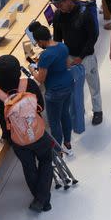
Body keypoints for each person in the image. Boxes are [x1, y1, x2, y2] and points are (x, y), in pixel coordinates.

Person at [0, 55, 52, 212]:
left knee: (29, 167)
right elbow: (40, 106)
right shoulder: (30, 84)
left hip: (16, 139)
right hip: (37, 132)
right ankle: (42, 199)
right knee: (46, 160)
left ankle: (42, 200)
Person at [50, 0, 103, 126]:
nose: (58, 7)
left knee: (93, 84)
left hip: (86, 56)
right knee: (75, 88)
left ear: (68, 0)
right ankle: (79, 113)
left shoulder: (84, 14)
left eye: (60, 4)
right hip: (69, 56)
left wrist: (81, 57)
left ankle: (98, 111)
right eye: (56, 5)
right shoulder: (58, 15)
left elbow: (93, 37)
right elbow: (57, 38)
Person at [29, 23, 73, 152]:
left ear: (41, 41)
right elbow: (68, 65)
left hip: (54, 92)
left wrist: (32, 70)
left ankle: (58, 150)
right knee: (65, 114)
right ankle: (68, 142)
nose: (38, 45)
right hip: (68, 85)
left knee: (54, 122)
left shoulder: (45, 55)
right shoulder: (62, 46)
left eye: (37, 43)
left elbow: (41, 79)